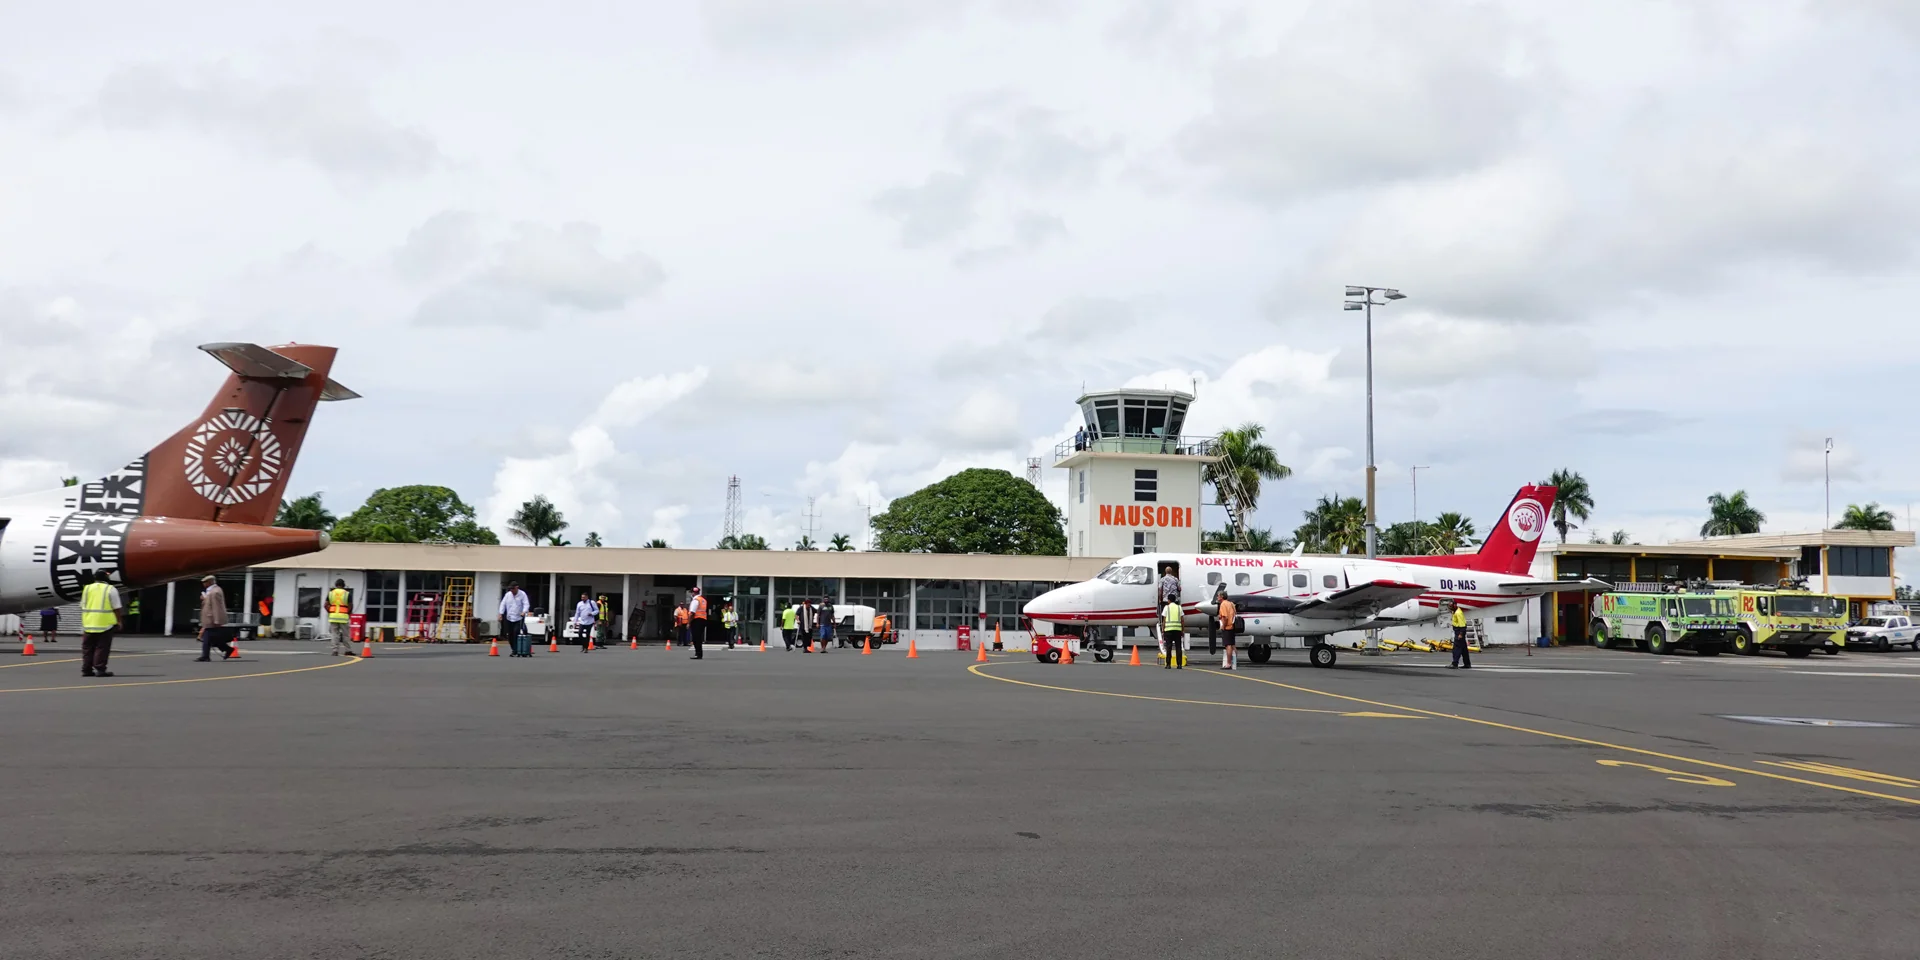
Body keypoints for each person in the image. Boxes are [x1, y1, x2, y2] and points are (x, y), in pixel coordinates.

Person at [78, 570, 123, 678]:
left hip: (88, 623)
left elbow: (83, 605)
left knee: (87, 648)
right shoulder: (110, 589)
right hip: (105, 624)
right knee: (102, 647)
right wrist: (119, 621)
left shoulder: (87, 588)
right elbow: (116, 607)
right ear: (105, 578)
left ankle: (86, 669)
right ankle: (100, 669)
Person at [194, 574, 235, 661]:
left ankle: (206, 656)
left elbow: (217, 607)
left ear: (210, 582)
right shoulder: (211, 591)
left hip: (211, 619)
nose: (203, 584)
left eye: (205, 582)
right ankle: (226, 649)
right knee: (211, 638)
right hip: (209, 618)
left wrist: (217, 620)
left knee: (208, 637)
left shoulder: (215, 592)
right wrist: (204, 599)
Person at [500, 580, 531, 656]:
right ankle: (514, 649)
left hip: (518, 618)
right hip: (509, 617)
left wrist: (524, 611)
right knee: (510, 635)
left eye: (513, 589)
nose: (512, 590)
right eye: (510, 589)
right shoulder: (508, 595)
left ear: (517, 588)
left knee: (516, 632)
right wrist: (500, 613)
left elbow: (526, 604)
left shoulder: (522, 594)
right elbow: (503, 604)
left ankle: (518, 649)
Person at [326, 578, 354, 656]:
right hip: (343, 616)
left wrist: (330, 611)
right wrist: (348, 613)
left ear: (336, 585)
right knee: (345, 635)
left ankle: (335, 651)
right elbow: (350, 605)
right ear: (343, 585)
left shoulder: (331, 593)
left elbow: (326, 605)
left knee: (334, 634)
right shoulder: (347, 594)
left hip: (333, 616)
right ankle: (348, 650)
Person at [1217, 587, 1239, 671]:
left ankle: (1229, 663)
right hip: (1232, 626)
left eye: (1218, 596)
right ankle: (1234, 662)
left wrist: (1223, 626)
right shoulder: (1231, 603)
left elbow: (1225, 617)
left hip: (1227, 627)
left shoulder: (1223, 604)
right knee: (1233, 645)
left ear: (1222, 596)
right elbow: (1234, 614)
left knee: (1228, 645)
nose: (1217, 597)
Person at [1161, 597, 1185, 670]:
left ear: (1169, 600)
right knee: (1178, 647)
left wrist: (1163, 629)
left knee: (1169, 647)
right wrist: (1182, 630)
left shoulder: (1166, 607)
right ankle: (1179, 664)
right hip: (1177, 630)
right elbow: (1182, 620)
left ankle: (1168, 664)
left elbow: (1164, 620)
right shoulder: (1179, 607)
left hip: (1168, 630)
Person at [687, 587, 709, 659]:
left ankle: (698, 654)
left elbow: (692, 613)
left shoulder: (695, 600)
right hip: (703, 620)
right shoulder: (703, 600)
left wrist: (688, 623)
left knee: (696, 638)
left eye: (691, 592)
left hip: (696, 620)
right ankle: (699, 653)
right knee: (699, 637)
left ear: (693, 593)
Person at [1450, 604, 1472, 669]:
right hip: (1458, 631)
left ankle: (1455, 664)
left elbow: (1462, 625)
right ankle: (1467, 664)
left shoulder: (1458, 613)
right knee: (1464, 649)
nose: (1450, 608)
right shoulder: (1455, 611)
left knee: (1456, 648)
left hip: (1459, 631)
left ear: (1454, 606)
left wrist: (1461, 634)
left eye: (1451, 607)